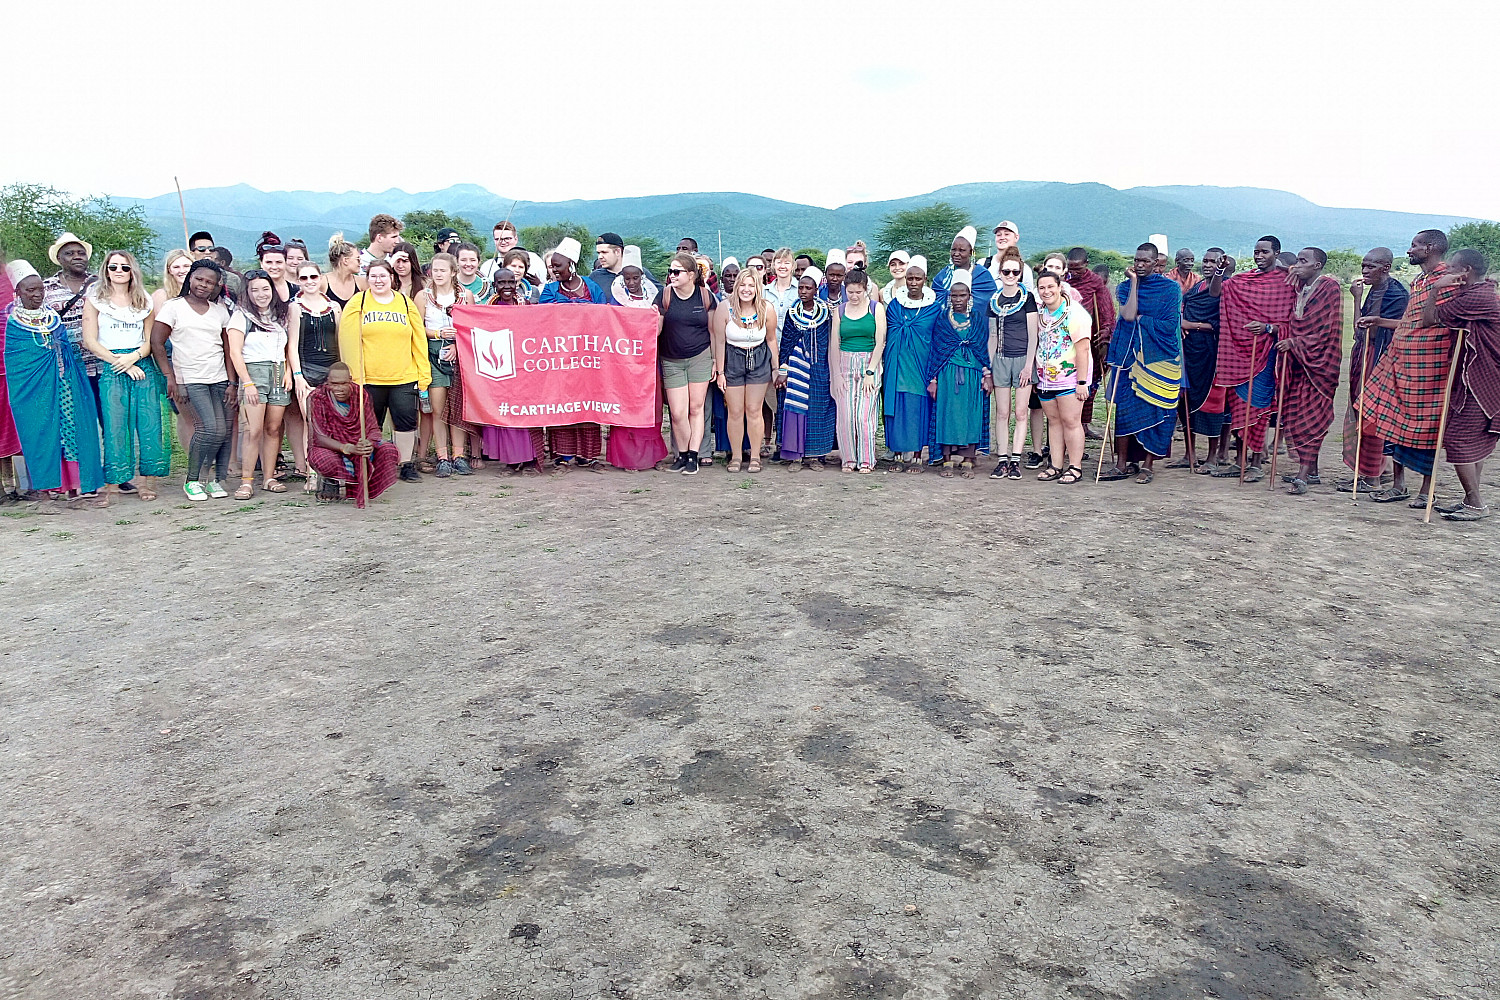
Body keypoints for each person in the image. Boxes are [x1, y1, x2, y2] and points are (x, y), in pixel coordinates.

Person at [1360, 230, 1459, 505]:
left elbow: (1443, 321)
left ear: (1430, 248)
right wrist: (1379, 321)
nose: (1410, 250)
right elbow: (1409, 322)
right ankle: (1398, 484)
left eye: (1414, 246)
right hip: (1400, 359)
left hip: (1432, 365)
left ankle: (1427, 490)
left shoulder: (1449, 280)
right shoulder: (1419, 280)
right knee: (1393, 420)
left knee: (1428, 427)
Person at [5, 260, 105, 512]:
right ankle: (45, 490)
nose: (37, 294)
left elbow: (65, 350)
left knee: (71, 432)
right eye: (30, 290)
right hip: (34, 392)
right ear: (18, 292)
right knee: (40, 432)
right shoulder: (14, 323)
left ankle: (74, 487)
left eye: (40, 289)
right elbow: (18, 361)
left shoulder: (52, 318)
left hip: (64, 384)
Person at [80, 250, 166, 503]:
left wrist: (135, 357)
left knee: (149, 426)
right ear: (106, 270)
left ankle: (146, 483)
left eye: (124, 267)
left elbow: (150, 340)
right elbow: (90, 340)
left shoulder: (144, 301)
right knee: (115, 426)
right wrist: (122, 363)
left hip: (142, 365)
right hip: (112, 366)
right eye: (113, 266)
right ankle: (112, 485)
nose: (119, 271)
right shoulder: (95, 299)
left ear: (132, 271)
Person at [338, 258, 431, 483]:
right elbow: (347, 341)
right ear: (367, 278)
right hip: (369, 377)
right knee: (371, 425)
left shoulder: (405, 303)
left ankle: (406, 463)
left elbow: (418, 338)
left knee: (406, 422)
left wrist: (422, 372)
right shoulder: (358, 304)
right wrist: (353, 377)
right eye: (373, 276)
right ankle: (373, 465)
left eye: (383, 276)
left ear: (392, 278)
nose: (378, 280)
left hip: (403, 375)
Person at [1212, 235, 1295, 482]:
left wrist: (1269, 328)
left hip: (1266, 353)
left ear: (1277, 253)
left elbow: (1294, 322)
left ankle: (1257, 462)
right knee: (1238, 406)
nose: (1259, 256)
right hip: (1239, 354)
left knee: (1258, 406)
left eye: (1264, 252)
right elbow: (1216, 292)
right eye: (1256, 252)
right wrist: (1220, 270)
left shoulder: (1287, 282)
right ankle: (1240, 463)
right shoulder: (1243, 280)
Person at [1425, 248, 1499, 521]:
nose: (1447, 275)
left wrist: (1435, 290)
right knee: (1472, 439)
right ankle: (1470, 499)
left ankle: (1477, 503)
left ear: (1466, 271)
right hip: (1477, 377)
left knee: (1458, 439)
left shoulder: (1477, 296)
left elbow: (1430, 319)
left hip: (1482, 379)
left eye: (1452, 270)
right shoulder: (1477, 293)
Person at [1099, 244, 1183, 484]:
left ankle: (1148, 465)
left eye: (1146, 261)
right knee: (1124, 410)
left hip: (1160, 359)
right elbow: (1127, 315)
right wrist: (1135, 283)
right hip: (1129, 357)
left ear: (1156, 262)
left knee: (1158, 409)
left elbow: (1169, 325)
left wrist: (1143, 319)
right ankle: (1121, 463)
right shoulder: (1126, 287)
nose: (1140, 264)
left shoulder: (1170, 289)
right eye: (1137, 260)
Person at [150, 260, 233, 501]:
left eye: (209, 282)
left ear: (216, 285)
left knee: (223, 430)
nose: (203, 285)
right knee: (208, 428)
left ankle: (215, 480)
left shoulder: (219, 311)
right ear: (190, 278)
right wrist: (170, 377)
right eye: (199, 279)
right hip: (190, 378)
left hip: (218, 377)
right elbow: (157, 342)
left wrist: (231, 381)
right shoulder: (173, 307)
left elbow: (228, 349)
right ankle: (192, 480)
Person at [1276, 248, 1344, 495]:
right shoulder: (1300, 289)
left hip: (1321, 362)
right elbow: (1294, 321)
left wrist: (1294, 342)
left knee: (1312, 418)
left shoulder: (1329, 288)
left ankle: (1303, 475)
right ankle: (1311, 470)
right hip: (1299, 362)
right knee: (1296, 414)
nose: (1297, 265)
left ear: (1317, 266)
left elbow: (1326, 329)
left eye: (1303, 261)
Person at [1339, 248, 1408, 491]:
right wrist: (1358, 298)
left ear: (1386, 267)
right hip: (1364, 355)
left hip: (1380, 360)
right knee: (1362, 412)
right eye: (1364, 266)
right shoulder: (1374, 290)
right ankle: (1372, 471)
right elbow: (1359, 331)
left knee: (1372, 414)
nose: (1365, 271)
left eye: (1371, 267)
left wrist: (1358, 300)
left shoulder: (1395, 293)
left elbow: (1376, 331)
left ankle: (1372, 478)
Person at [538, 237, 607, 468]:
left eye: (558, 266)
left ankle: (588, 455)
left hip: (587, 358)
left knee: (588, 403)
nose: (554, 270)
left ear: (572, 265)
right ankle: (563, 455)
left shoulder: (592, 287)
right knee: (562, 403)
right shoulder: (549, 290)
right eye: (552, 266)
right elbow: (543, 318)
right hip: (558, 358)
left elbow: (604, 317)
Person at [226, 269, 293, 498]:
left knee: (273, 428)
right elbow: (235, 352)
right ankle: (246, 481)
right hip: (253, 372)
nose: (261, 294)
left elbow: (286, 347)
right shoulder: (241, 316)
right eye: (254, 289)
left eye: (265, 288)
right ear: (247, 292)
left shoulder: (280, 315)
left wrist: (289, 371)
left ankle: (269, 477)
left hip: (278, 372)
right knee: (253, 430)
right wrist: (247, 383)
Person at [603, 247, 669, 473]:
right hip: (624, 364)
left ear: (642, 276)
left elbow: (659, 328)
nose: (631, 282)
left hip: (649, 362)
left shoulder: (654, 298)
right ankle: (628, 458)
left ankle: (652, 456)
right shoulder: (616, 300)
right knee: (626, 408)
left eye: (635, 277)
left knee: (651, 407)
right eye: (627, 277)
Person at [712, 267, 779, 473]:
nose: (746, 289)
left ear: (757, 287)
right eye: (742, 284)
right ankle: (736, 456)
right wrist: (720, 371)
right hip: (732, 360)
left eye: (751, 285)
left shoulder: (766, 308)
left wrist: (776, 368)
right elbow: (719, 341)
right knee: (735, 411)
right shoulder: (725, 308)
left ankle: (756, 457)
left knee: (754, 409)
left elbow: (771, 339)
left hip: (758, 360)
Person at [307, 362, 400, 507]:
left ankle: (364, 488)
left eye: (343, 383)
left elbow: (372, 428)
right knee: (323, 459)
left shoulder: (361, 395)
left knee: (389, 450)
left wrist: (368, 443)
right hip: (332, 447)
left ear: (350, 380)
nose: (338, 389)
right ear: (327, 382)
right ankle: (331, 481)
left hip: (358, 444)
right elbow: (319, 437)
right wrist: (347, 448)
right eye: (334, 384)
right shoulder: (317, 398)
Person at [414, 252, 474, 477]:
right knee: (438, 409)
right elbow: (416, 328)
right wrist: (437, 333)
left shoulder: (465, 295)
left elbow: (471, 328)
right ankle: (442, 457)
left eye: (443, 270)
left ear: (452, 272)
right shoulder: (423, 296)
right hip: (433, 354)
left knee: (457, 408)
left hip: (460, 355)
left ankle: (459, 455)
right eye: (435, 270)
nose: (438, 274)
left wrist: (458, 345)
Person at [926, 268, 990, 478]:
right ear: (949, 296)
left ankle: (968, 459)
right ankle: (946, 460)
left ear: (969, 296)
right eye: (954, 295)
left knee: (971, 416)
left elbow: (982, 350)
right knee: (948, 415)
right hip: (947, 374)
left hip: (972, 375)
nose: (958, 299)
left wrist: (987, 376)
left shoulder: (978, 320)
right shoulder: (943, 320)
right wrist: (933, 379)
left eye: (962, 295)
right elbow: (937, 350)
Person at [656, 250, 715, 474]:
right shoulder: (664, 296)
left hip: (700, 356)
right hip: (671, 359)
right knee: (678, 412)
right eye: (670, 271)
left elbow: (713, 331)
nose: (672, 275)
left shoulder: (705, 296)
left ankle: (693, 455)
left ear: (691, 274)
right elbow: (658, 328)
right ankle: (681, 453)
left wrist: (716, 361)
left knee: (696, 408)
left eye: (677, 271)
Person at [1030, 270, 1092, 485]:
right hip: (1046, 378)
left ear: (1060, 287)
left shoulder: (1075, 313)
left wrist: (1082, 382)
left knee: (1071, 421)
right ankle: (1055, 465)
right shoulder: (1040, 313)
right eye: (1042, 288)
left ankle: (1075, 467)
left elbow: (1083, 349)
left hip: (1070, 378)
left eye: (1050, 287)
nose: (1046, 291)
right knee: (1054, 422)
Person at [287, 259, 341, 492]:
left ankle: (333, 471)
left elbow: (340, 342)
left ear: (321, 279)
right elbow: (292, 344)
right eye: (304, 278)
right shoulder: (295, 307)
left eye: (313, 277)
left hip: (331, 371)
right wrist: (298, 375)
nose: (309, 282)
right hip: (307, 370)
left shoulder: (335, 307)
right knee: (312, 423)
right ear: (298, 281)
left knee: (333, 423)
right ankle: (311, 472)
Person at [776, 267, 837, 471]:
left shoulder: (826, 313)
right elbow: (785, 342)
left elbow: (829, 341)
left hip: (820, 368)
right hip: (796, 368)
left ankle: (815, 456)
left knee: (818, 410)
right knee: (795, 408)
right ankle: (795, 457)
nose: (803, 291)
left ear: (815, 289)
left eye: (807, 288)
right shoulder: (793, 314)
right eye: (800, 287)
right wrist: (783, 368)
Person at [986, 247, 1039, 480]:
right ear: (1000, 272)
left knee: (1020, 413)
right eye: (1006, 271)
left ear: (1020, 273)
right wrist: (989, 366)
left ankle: (1016, 459)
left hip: (1022, 360)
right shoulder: (994, 300)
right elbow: (992, 336)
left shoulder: (1027, 298)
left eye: (1014, 272)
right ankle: (1002, 459)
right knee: (1001, 413)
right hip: (1001, 359)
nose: (1010, 275)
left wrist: (1029, 365)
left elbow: (1033, 334)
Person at [1176, 249, 1230, 470]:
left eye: (1212, 261)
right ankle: (1189, 454)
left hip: (1212, 351)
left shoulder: (1226, 287)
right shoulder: (1196, 288)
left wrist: (1192, 325)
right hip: (1189, 350)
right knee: (1184, 401)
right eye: (1205, 260)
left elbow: (1226, 321)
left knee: (1212, 404)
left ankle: (1211, 457)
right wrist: (1181, 323)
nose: (1207, 264)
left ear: (1221, 263)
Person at [829, 269, 884, 473]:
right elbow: (835, 344)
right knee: (845, 416)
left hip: (868, 362)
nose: (854, 296)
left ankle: (867, 459)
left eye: (858, 292)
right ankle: (848, 459)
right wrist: (836, 375)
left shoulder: (875, 309)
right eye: (850, 292)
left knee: (864, 416)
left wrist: (871, 371)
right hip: (844, 364)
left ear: (865, 290)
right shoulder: (840, 311)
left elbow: (880, 342)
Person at [1064, 248, 1117, 438]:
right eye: (1071, 268)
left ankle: (1083, 425)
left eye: (1077, 268)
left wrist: (1106, 334)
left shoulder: (1095, 283)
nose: (1074, 272)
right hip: (1064, 343)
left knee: (1088, 385)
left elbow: (1106, 312)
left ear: (1086, 264)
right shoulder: (1063, 282)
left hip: (1090, 342)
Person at [982, 222, 1034, 289]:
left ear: (1016, 237)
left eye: (1006, 234)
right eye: (999, 235)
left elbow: (1028, 295)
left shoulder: (1024, 270)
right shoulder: (983, 264)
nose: (1002, 238)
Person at [254, 232, 295, 304]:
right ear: (261, 263)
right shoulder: (252, 291)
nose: (274, 267)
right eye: (269, 262)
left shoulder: (297, 290)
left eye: (279, 262)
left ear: (285, 263)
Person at [325, 234, 361, 309]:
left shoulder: (361, 283)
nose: (360, 263)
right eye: (357, 259)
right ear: (346, 260)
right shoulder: (323, 283)